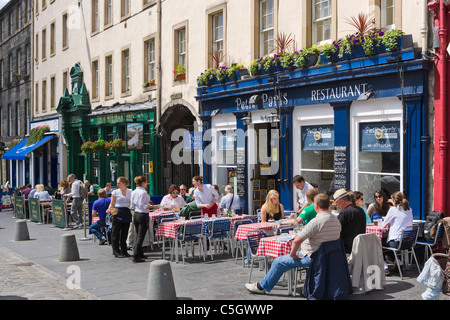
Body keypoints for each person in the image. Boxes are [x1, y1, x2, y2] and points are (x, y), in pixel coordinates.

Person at [245, 193, 342, 294]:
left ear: (316, 205)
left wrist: (292, 254)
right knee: (283, 260)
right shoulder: (336, 220)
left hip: (312, 257)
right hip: (330, 257)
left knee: (279, 261)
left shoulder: (316, 221)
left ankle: (262, 287)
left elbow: (297, 241)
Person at [381, 191, 414, 276]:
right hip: (409, 243)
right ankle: (398, 263)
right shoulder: (409, 210)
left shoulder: (393, 209)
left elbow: (384, 224)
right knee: (390, 243)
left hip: (397, 243)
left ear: (394, 201)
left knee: (380, 243)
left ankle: (385, 267)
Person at [333, 189, 367, 254]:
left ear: (342, 202)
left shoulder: (344, 213)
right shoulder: (361, 211)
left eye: (337, 204)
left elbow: (335, 230)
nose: (338, 207)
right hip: (359, 249)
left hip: (346, 251)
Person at [107, 176, 132, 258]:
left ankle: (124, 251)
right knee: (115, 233)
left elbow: (131, 202)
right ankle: (116, 251)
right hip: (117, 212)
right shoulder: (115, 192)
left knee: (124, 233)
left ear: (124, 183)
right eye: (117, 183)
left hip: (126, 212)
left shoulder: (130, 191)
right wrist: (109, 209)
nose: (117, 184)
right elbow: (112, 202)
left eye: (119, 183)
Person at [130, 175, 152, 263]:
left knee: (138, 235)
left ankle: (139, 252)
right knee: (140, 236)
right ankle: (135, 255)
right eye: (146, 182)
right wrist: (151, 206)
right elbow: (141, 205)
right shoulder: (143, 192)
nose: (146, 183)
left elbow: (132, 205)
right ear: (143, 183)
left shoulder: (133, 191)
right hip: (143, 214)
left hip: (136, 214)